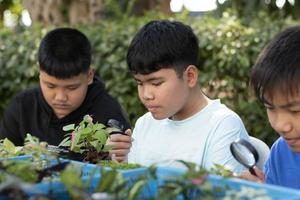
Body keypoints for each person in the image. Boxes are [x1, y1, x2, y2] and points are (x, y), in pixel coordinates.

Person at [126, 20, 249, 173]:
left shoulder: (223, 125)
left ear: (190, 76)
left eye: (156, 83)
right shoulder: (144, 124)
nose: (146, 95)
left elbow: (220, 192)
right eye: (139, 83)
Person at [0, 28, 131, 162]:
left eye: (72, 87)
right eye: (50, 86)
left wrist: (119, 155)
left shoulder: (108, 113)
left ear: (89, 75)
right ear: (39, 71)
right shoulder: (22, 107)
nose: (60, 97)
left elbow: (123, 163)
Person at [239, 26, 300, 189]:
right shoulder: (281, 152)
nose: (280, 125)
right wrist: (264, 190)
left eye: (296, 110)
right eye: (270, 107)